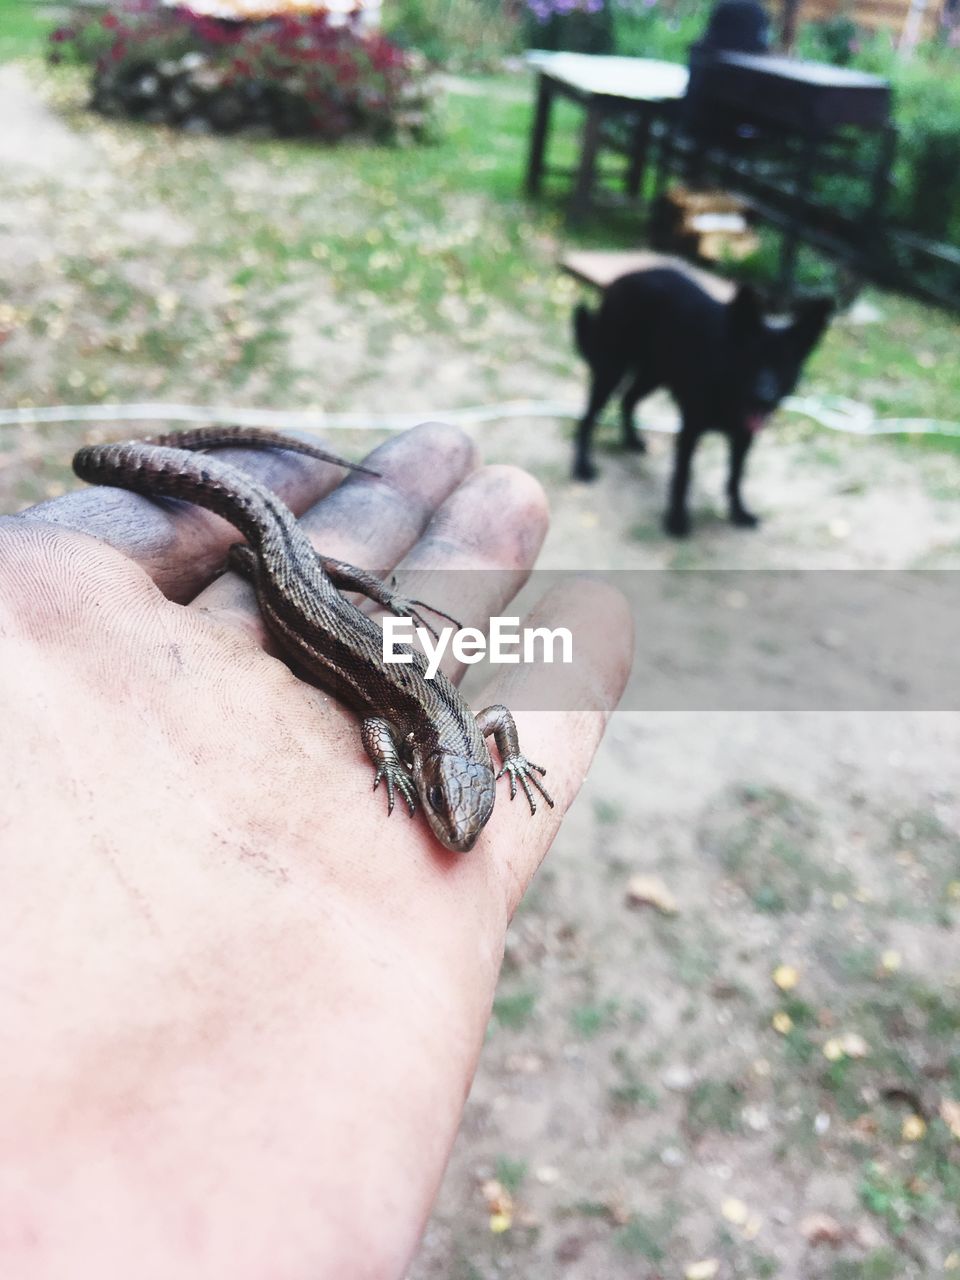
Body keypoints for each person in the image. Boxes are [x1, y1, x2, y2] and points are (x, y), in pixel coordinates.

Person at [0, 422, 632, 1278]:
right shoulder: (404, 725)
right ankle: (208, 474)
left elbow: (482, 724)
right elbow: (376, 718)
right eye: (448, 804)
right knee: (260, 542)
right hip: (286, 583)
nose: (454, 828)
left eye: (462, 808)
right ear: (436, 769)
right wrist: (390, 750)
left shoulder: (440, 729)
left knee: (277, 538)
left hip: (314, 586)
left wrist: (510, 760)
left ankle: (226, 481)